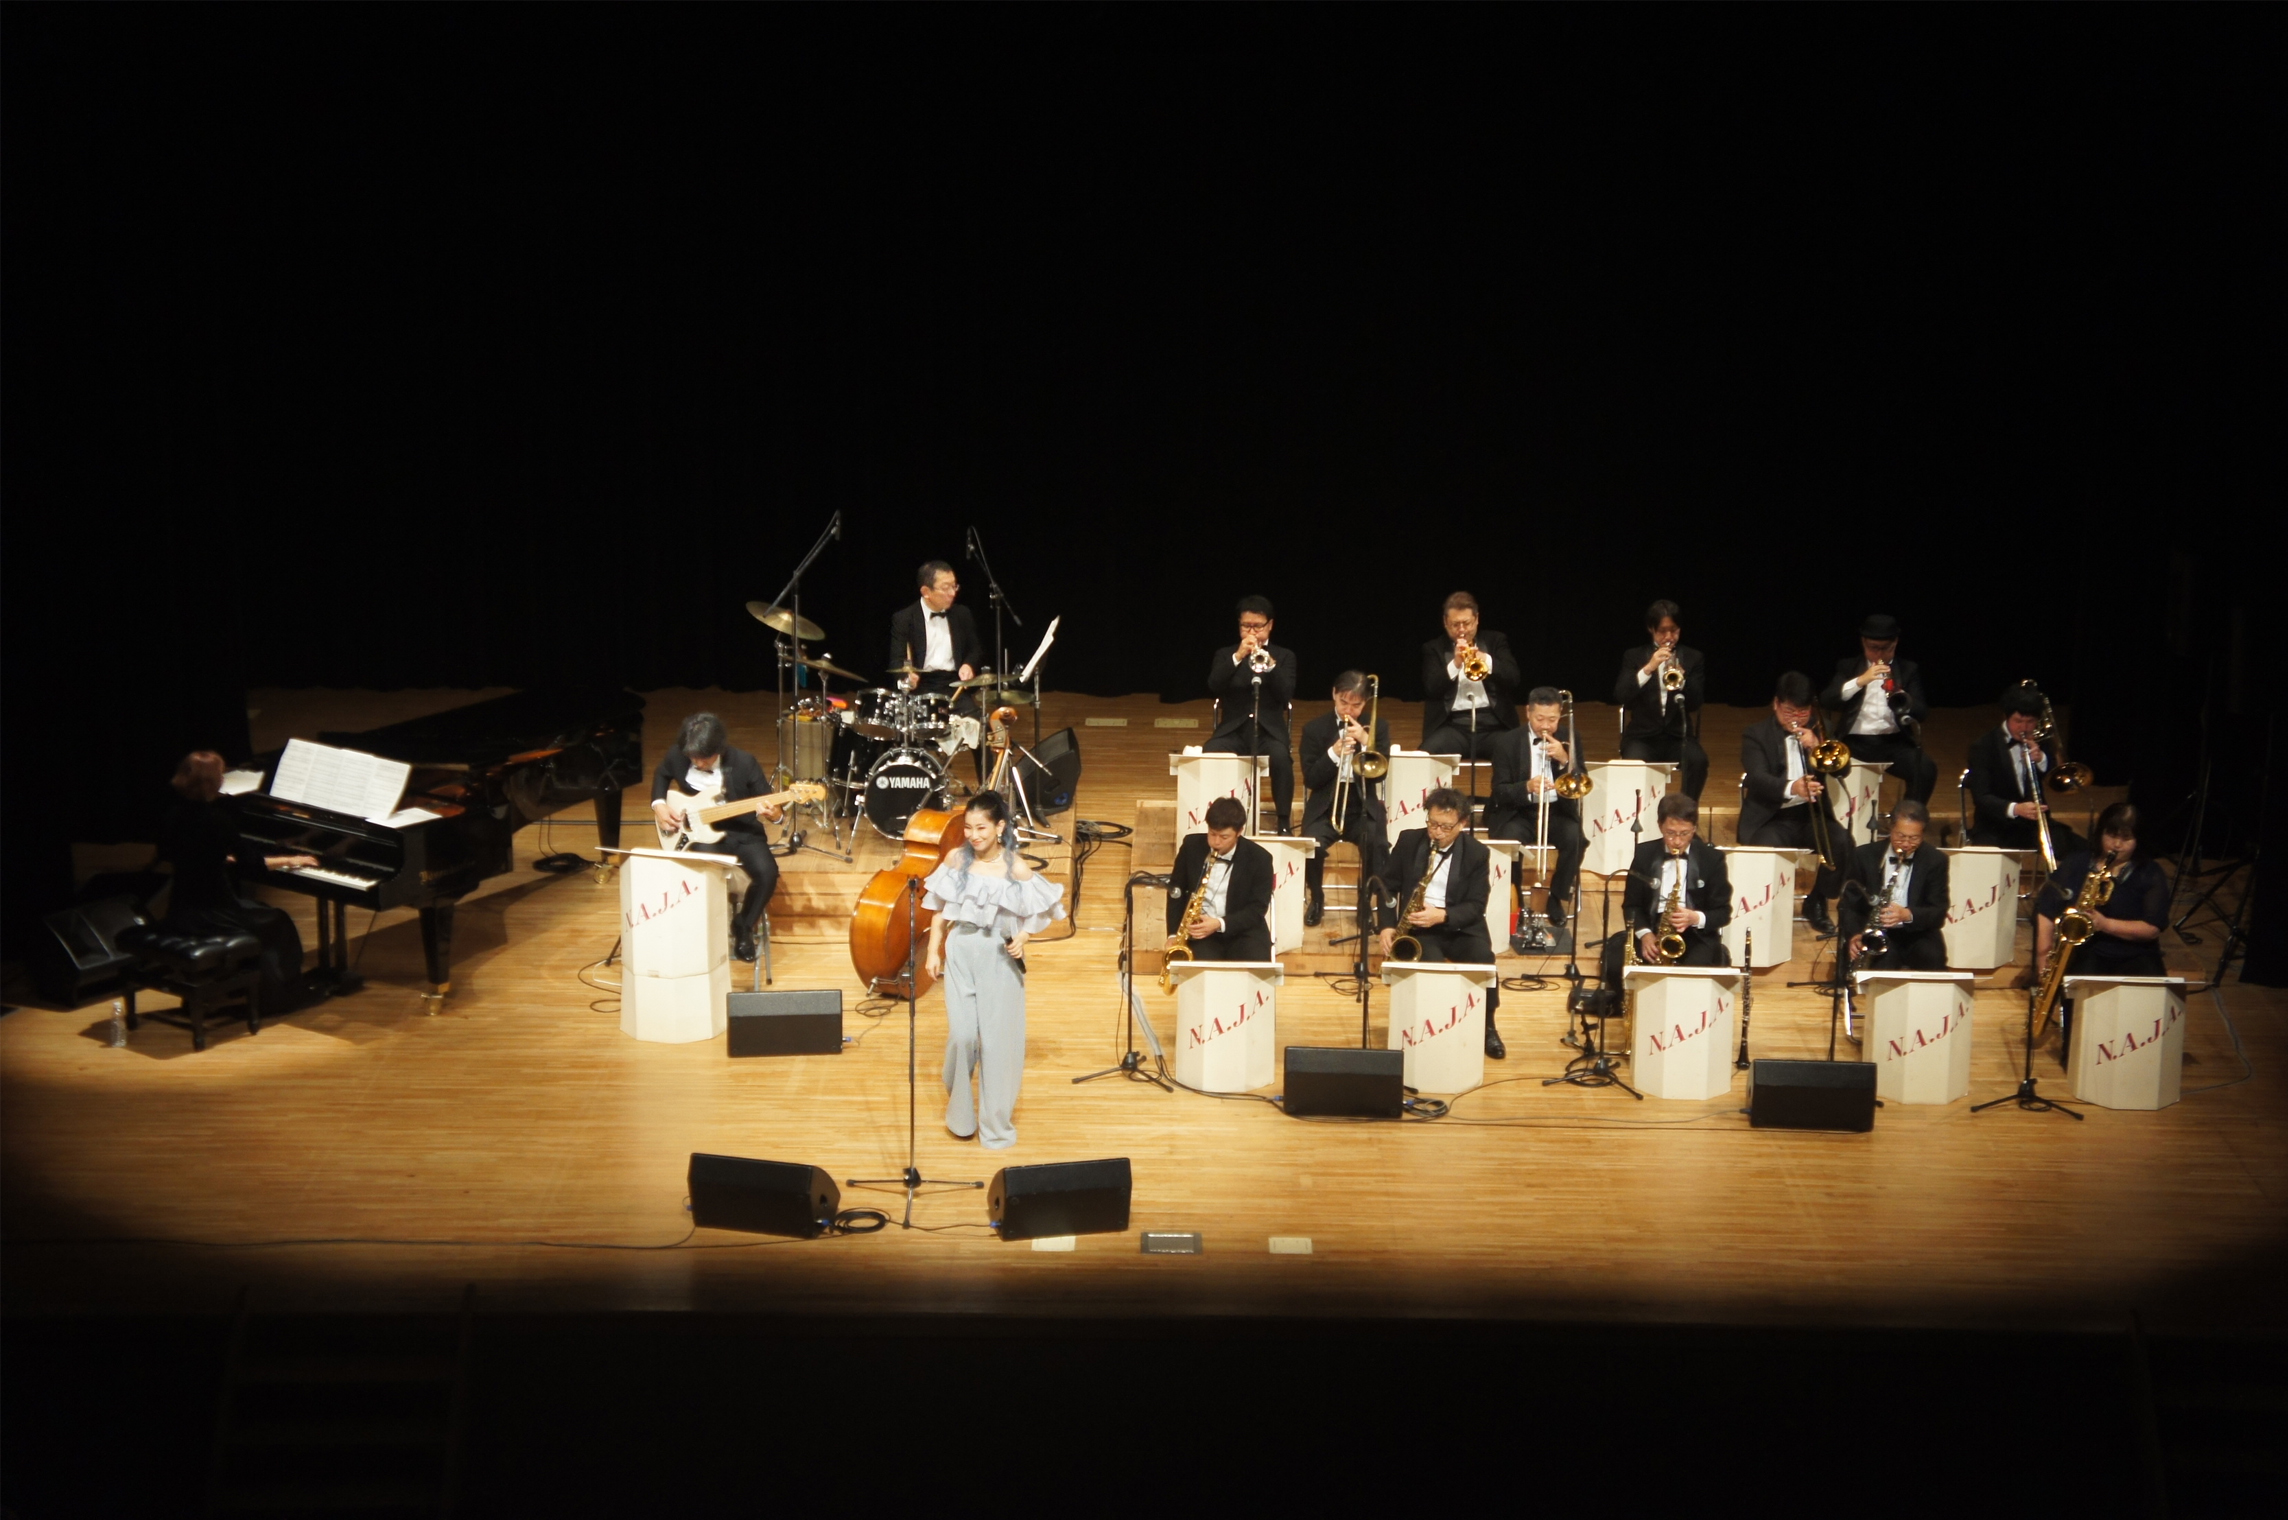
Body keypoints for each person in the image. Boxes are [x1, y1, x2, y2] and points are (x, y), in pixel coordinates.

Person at [922, 791, 1064, 1149]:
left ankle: (995, 1125)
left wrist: (1024, 937)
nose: (973, 835)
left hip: (998, 956)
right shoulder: (956, 859)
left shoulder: (1015, 868)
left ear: (999, 827)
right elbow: (938, 909)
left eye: (981, 828)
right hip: (960, 950)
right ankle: (960, 1116)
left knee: (999, 1044)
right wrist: (933, 951)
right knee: (962, 1036)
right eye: (968, 828)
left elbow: (1043, 908)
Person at [154, 751, 320, 1014]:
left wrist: (216, 857)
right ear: (214, 782)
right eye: (221, 774)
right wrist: (291, 859)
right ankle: (279, 995)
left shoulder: (172, 813)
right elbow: (251, 863)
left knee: (261, 913)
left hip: (180, 910)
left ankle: (245, 983)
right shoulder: (216, 819)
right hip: (214, 913)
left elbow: (170, 853)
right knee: (278, 921)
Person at [2035, 802, 2171, 1053]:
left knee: (2147, 1009)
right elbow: (2046, 908)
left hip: (2136, 954)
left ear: (2138, 840)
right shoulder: (2077, 863)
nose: (2116, 845)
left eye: (2126, 838)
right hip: (2088, 951)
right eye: (2111, 835)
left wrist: (2104, 924)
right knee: (2083, 1009)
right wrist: (2042, 958)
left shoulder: (2150, 873)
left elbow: (2152, 928)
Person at [1379, 788, 1505, 1059]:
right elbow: (1387, 887)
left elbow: (1476, 906)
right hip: (1419, 929)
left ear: (1462, 824)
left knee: (1484, 959)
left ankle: (1488, 1026)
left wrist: (1443, 915)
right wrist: (1387, 926)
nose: (1436, 832)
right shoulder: (1409, 841)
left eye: (1445, 827)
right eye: (1432, 823)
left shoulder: (1476, 853)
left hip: (1459, 926)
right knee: (1430, 968)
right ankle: (1427, 1030)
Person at [650, 713, 781, 963]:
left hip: (743, 832)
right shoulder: (677, 755)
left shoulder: (744, 762)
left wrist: (775, 814)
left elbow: (769, 804)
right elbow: (661, 773)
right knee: (706, 872)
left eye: (704, 758)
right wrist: (659, 804)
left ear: (719, 749)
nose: (698, 762)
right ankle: (701, 930)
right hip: (698, 833)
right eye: (693, 758)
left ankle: (743, 925)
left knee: (768, 873)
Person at [1739, 671, 1848, 937]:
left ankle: (1817, 901)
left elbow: (1842, 770)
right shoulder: (1756, 734)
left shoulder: (1822, 728)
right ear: (1776, 704)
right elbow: (1757, 778)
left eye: (1803, 712)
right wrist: (1792, 788)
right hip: (1772, 817)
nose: (1796, 718)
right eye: (1789, 711)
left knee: (1842, 843)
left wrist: (1818, 746)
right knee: (1766, 850)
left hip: (1811, 815)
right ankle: (1766, 908)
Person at [1487, 686, 1585, 949]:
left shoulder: (1570, 737)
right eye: (1540, 718)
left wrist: (1565, 760)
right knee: (1509, 842)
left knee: (1575, 839)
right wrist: (1526, 787)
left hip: (1556, 810)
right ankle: (1516, 902)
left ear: (1560, 715)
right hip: (1519, 811)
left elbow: (1581, 781)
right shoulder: (1507, 742)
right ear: (1528, 713)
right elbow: (1499, 791)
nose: (1546, 726)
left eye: (1552, 719)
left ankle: (1556, 897)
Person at [1297, 671, 1389, 928]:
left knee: (1377, 844)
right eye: (1343, 702)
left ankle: (1365, 901)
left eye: (1356, 705)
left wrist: (1366, 743)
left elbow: (1381, 775)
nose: (1349, 710)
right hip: (1326, 808)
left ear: (1365, 702)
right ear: (1334, 695)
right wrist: (1333, 754)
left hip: (1361, 806)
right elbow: (1311, 779)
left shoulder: (1378, 728)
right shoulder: (1314, 729)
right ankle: (1316, 898)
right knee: (1311, 844)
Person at [1203, 595, 1298, 833]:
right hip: (1233, 730)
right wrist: (1238, 657)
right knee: (1210, 752)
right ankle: (1214, 817)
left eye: (1258, 626)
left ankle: (1283, 821)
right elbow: (1214, 685)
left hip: (1268, 731)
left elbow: (1285, 693)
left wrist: (1270, 664)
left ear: (1270, 625)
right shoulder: (1225, 654)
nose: (1252, 632)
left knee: (1281, 759)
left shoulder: (1284, 656)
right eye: (1246, 626)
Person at [1819, 613, 1936, 804]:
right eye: (1873, 648)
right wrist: (1859, 681)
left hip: (1894, 744)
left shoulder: (1908, 669)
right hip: (1854, 743)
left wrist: (1901, 695)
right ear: (1863, 642)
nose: (1879, 655)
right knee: (1825, 766)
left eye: (1886, 648)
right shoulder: (1848, 666)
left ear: (1895, 643)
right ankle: (1836, 817)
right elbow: (1827, 700)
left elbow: (1922, 713)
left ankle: (1906, 818)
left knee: (1925, 769)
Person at [1612, 792, 1733, 976]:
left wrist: (1695, 918)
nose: (1677, 841)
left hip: (1696, 933)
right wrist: (1645, 934)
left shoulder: (1712, 859)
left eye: (1684, 833)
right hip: (1654, 926)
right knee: (1615, 965)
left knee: (1693, 973)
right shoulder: (1644, 854)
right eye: (1670, 833)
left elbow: (1723, 913)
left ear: (1694, 828)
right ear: (1660, 826)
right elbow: (1632, 905)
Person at [1966, 683, 2086, 859]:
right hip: (1995, 825)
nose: (2024, 728)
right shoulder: (1983, 746)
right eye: (2018, 721)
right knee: (1987, 860)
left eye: (2030, 722)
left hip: (2033, 824)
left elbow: (2054, 775)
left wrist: (2041, 759)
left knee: (2084, 851)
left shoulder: (2041, 741)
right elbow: (1981, 797)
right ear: (2006, 717)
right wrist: (2016, 809)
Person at [1839, 799, 1951, 970]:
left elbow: (1938, 911)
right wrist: (1854, 934)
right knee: (1882, 967)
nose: (1906, 844)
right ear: (1890, 829)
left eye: (1914, 838)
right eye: (1901, 836)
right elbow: (1850, 904)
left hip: (1918, 931)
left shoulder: (1935, 860)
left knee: (1932, 958)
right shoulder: (1864, 855)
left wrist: (1907, 914)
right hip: (1876, 931)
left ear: (1923, 834)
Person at [1613, 599, 1708, 799]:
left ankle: (1686, 810)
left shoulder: (1693, 657)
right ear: (1651, 629)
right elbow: (1622, 695)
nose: (1669, 637)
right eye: (1662, 631)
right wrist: (1648, 669)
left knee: (1698, 761)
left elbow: (1695, 703)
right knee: (1632, 765)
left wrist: (1682, 681)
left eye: (1674, 630)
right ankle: (1638, 812)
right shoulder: (1633, 656)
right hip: (1642, 737)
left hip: (1678, 737)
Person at [1167, 796, 1276, 961]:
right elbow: (1176, 891)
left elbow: (1256, 909)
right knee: (1201, 969)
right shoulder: (1191, 846)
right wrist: (1173, 934)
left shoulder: (1260, 858)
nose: (1216, 842)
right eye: (1212, 834)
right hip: (1200, 931)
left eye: (1224, 837)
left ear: (1239, 832)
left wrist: (1219, 923)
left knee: (1254, 966)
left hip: (1243, 931)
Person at [1420, 592, 1520, 762]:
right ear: (1445, 622)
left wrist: (1486, 660)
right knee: (1424, 757)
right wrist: (1455, 663)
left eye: (1466, 623)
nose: (1461, 630)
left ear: (1476, 619)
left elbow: (1513, 678)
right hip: (1454, 727)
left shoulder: (1495, 640)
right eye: (1455, 624)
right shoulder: (1433, 648)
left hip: (1494, 726)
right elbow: (1431, 688)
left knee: (1519, 754)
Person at [886, 560, 985, 695]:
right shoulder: (905, 618)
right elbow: (896, 661)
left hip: (954, 684)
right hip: (921, 686)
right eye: (945, 588)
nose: (952, 593)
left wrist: (968, 665)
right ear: (926, 592)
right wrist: (906, 678)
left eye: (954, 586)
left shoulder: (962, 614)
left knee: (973, 709)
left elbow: (975, 649)